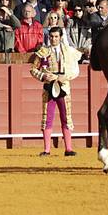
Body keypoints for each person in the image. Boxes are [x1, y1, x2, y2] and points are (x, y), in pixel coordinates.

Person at [30, 26, 80, 156]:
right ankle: (47, 149)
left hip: (63, 86)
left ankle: (68, 148)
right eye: (51, 37)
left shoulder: (68, 51)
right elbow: (33, 69)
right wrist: (43, 76)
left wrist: (63, 77)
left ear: (61, 37)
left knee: (66, 117)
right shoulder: (43, 52)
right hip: (48, 86)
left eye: (56, 36)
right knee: (47, 117)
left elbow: (75, 70)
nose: (54, 39)